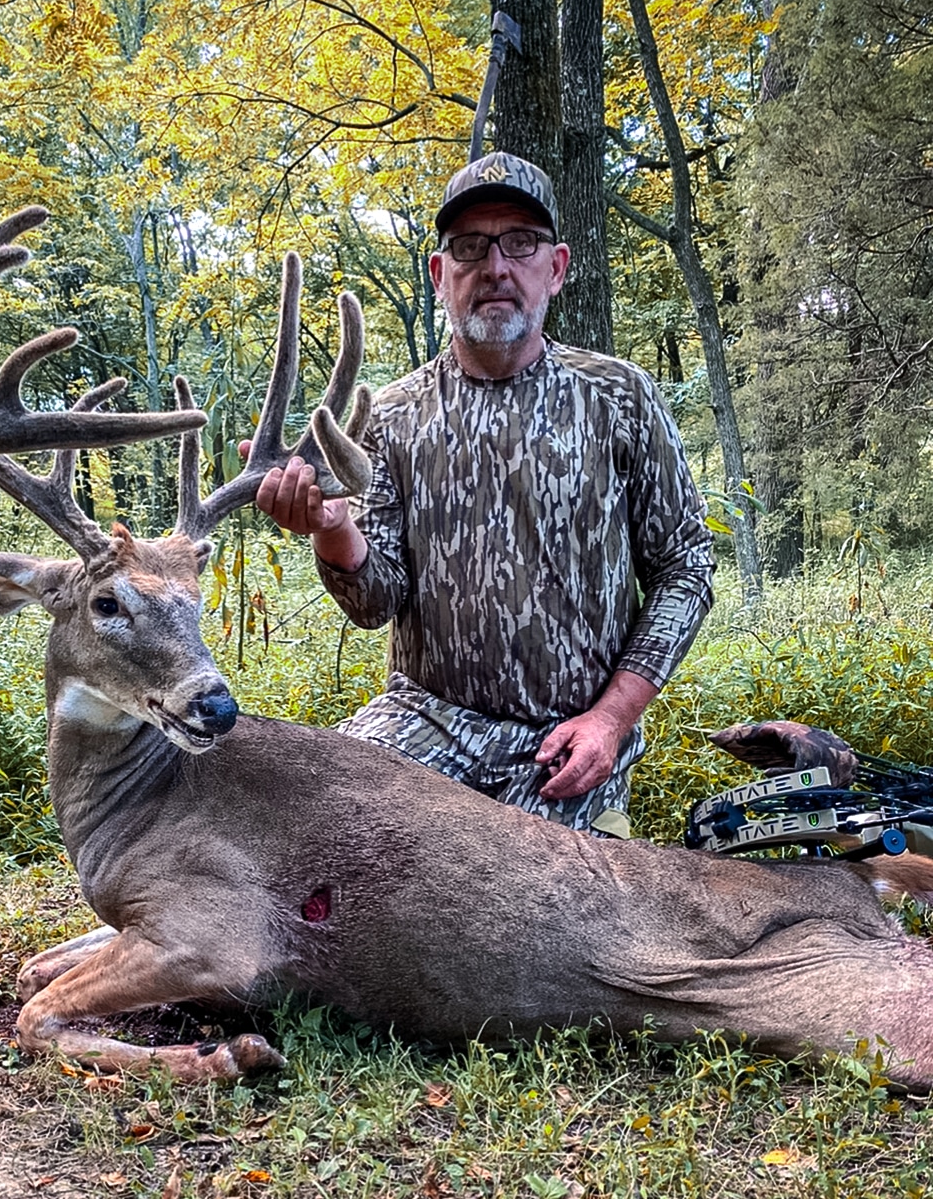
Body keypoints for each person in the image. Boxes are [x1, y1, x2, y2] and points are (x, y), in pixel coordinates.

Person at [255, 152, 715, 837]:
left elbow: (687, 568)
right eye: (470, 247)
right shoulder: (393, 417)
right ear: (441, 276)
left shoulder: (619, 398)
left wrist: (610, 720)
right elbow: (375, 601)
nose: (496, 267)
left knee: (515, 911)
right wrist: (331, 527)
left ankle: (598, 836)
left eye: (519, 244)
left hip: (563, 736)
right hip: (423, 721)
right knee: (307, 828)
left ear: (554, 268)